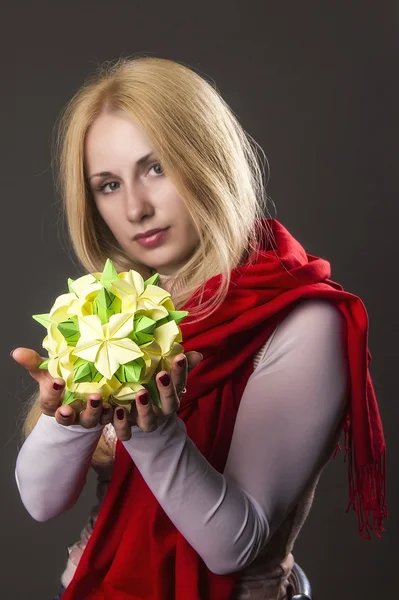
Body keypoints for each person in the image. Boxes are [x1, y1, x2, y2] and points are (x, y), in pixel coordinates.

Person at [13, 56, 386, 600]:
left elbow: (236, 546)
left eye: (157, 167)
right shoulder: (114, 316)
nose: (137, 207)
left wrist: (156, 435)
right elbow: (41, 503)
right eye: (109, 184)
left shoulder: (304, 319)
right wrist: (64, 421)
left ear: (208, 158)